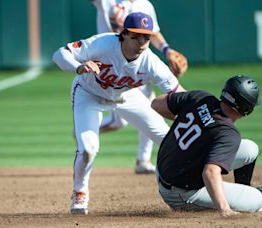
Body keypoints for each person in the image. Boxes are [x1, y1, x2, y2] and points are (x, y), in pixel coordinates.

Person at [52, 12, 185, 215]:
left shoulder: (152, 63)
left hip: (127, 96)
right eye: (136, 36)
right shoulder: (103, 44)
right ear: (123, 34)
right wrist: (78, 67)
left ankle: (183, 186)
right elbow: (60, 54)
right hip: (89, 94)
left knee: (168, 139)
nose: (142, 42)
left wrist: (201, 111)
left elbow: (179, 94)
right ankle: (80, 192)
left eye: (146, 37)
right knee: (88, 149)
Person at [151, 75, 262, 217]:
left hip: (164, 169)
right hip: (181, 193)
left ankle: (242, 190)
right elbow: (210, 173)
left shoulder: (200, 97)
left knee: (250, 149)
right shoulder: (228, 133)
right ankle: (247, 196)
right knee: (256, 200)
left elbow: (156, 103)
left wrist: (193, 119)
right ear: (247, 108)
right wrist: (224, 209)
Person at [91, 0, 188, 174]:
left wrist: (167, 50)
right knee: (118, 122)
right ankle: (88, 128)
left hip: (139, 64)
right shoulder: (108, 1)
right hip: (111, 65)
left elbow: (154, 32)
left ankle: (143, 159)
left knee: (151, 109)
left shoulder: (145, 5)